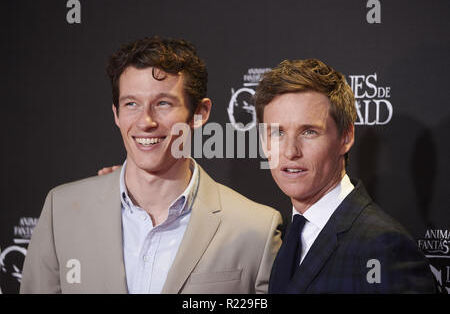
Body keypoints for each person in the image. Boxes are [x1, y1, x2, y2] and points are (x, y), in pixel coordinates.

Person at [20, 36, 282, 294]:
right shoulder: (62, 211)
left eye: (163, 104)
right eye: (131, 104)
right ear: (116, 114)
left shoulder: (255, 228)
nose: (146, 121)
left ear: (200, 113)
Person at [252, 58, 436, 293]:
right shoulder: (282, 235)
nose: (290, 152)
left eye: (308, 132)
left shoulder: (383, 246)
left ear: (346, 137)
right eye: (277, 133)